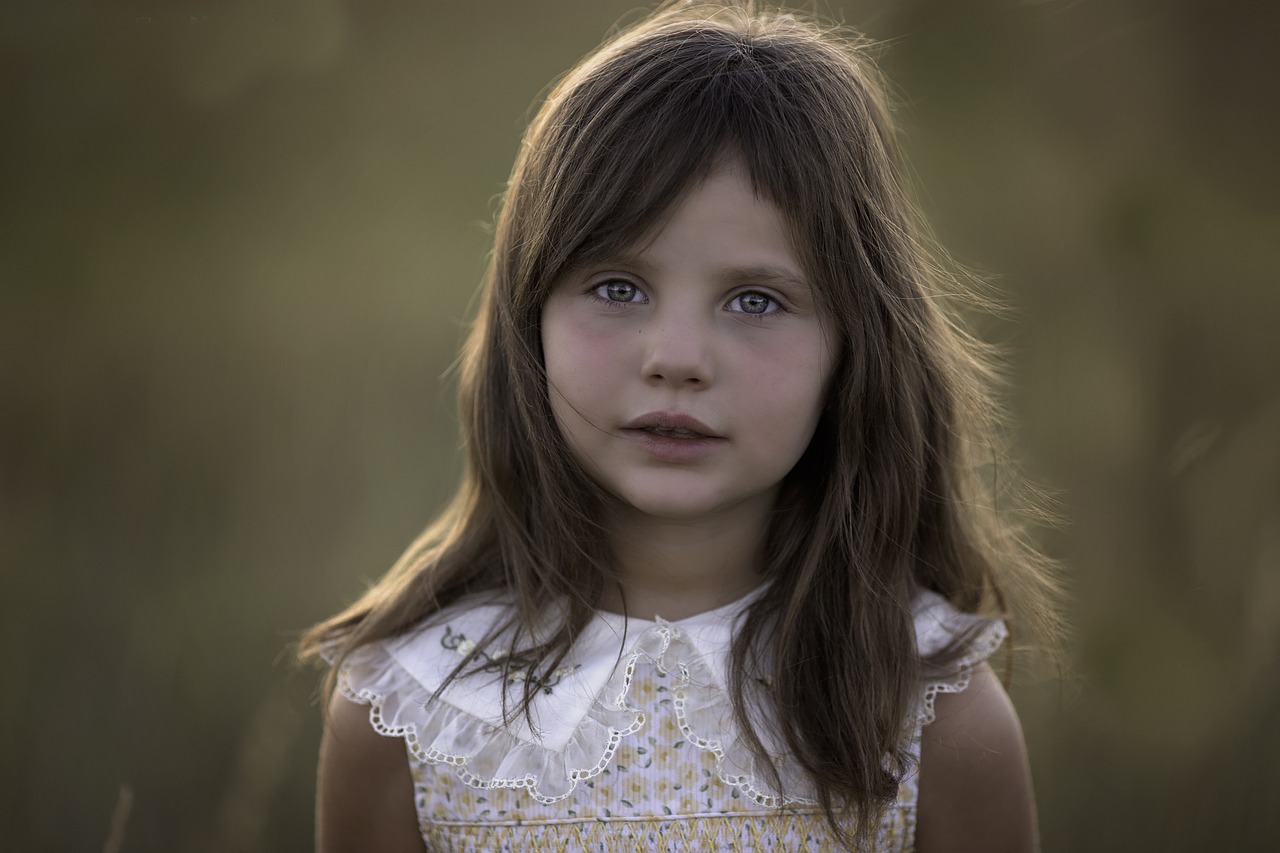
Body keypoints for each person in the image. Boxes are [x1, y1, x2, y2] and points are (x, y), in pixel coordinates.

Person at [297, 2, 1062, 850]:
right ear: (530, 316)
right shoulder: (407, 711)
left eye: (756, 299)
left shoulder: (933, 713)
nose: (678, 357)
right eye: (618, 287)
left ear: (855, 345)